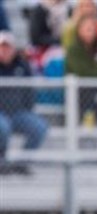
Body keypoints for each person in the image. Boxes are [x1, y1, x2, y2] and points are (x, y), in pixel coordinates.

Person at [0, 31, 49, 175]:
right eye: (2, 47)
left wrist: (27, 108)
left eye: (7, 47)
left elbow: (30, 92)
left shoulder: (22, 66)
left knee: (39, 127)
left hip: (18, 113)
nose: (5, 51)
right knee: (3, 128)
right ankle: (2, 162)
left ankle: (22, 163)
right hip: (1, 114)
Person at [65, 13, 97, 136]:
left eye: (92, 29)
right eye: (87, 28)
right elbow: (83, 72)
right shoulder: (73, 49)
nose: (90, 32)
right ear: (79, 30)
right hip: (80, 92)